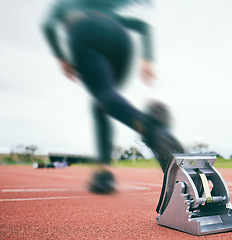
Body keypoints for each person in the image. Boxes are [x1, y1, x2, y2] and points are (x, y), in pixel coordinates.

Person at [42, 0, 184, 194]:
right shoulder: (107, 9)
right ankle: (104, 173)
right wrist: (147, 59)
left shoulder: (66, 4)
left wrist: (61, 57)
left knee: (102, 94)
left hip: (85, 31)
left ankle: (151, 130)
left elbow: (48, 25)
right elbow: (144, 27)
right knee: (102, 103)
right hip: (120, 40)